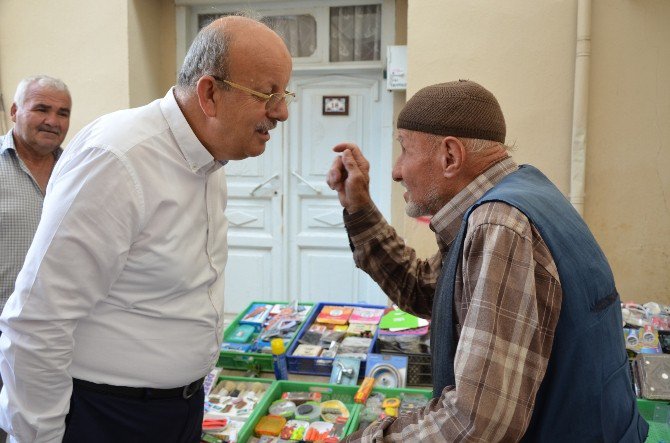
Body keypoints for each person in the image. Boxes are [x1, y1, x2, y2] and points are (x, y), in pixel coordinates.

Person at [0, 16, 293, 443]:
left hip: (180, 409)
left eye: (285, 95)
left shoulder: (211, 157)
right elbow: (37, 320)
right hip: (108, 416)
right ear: (209, 93)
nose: (281, 112)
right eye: (267, 94)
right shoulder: (118, 159)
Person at [328, 80, 648, 442]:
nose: (396, 170)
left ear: (450, 156)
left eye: (404, 150)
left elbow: (475, 423)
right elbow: (427, 290)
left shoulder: (501, 223)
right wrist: (359, 208)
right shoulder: (520, 193)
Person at [0, 75, 71, 309]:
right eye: (42, 109)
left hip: (54, 323)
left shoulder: (76, 170)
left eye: (63, 113)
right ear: (13, 111)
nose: (52, 121)